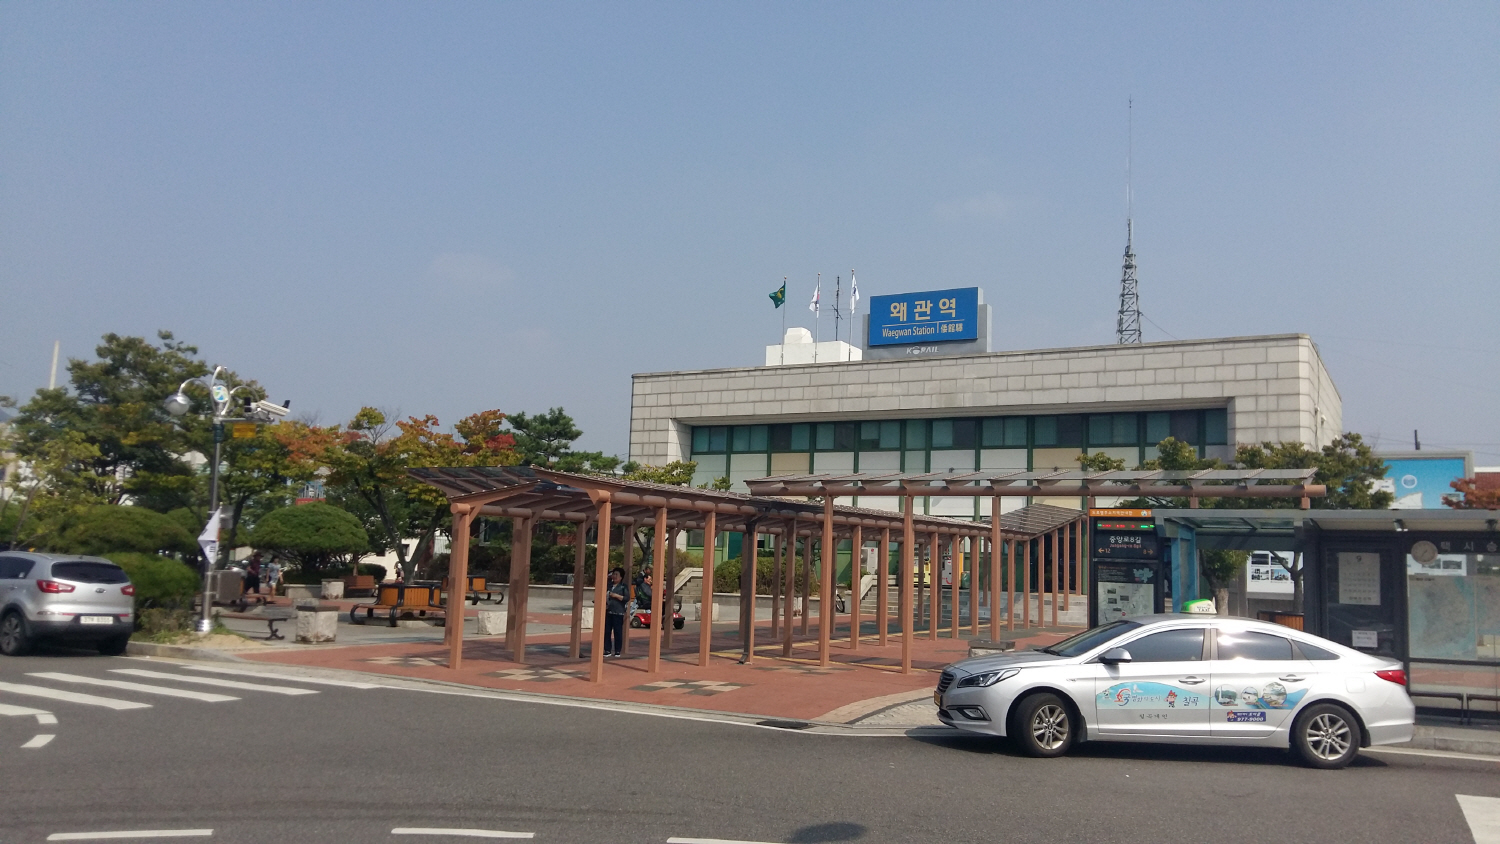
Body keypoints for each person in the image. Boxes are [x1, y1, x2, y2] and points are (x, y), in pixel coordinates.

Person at [604, 567, 628, 658]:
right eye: (613, 574)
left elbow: (626, 598)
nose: (614, 576)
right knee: (607, 631)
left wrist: (615, 596)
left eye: (616, 575)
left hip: (618, 612)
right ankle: (607, 649)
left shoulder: (623, 587)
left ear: (621, 577)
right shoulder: (609, 585)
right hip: (608, 611)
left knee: (617, 632)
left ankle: (617, 650)